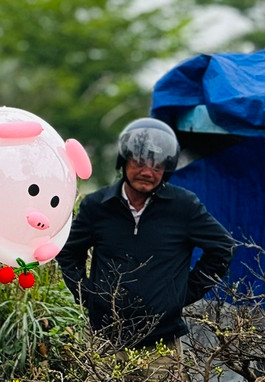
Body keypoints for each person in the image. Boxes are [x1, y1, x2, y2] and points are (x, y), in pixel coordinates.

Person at [57, 117, 236, 350]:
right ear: (124, 160)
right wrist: (88, 295)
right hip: (106, 339)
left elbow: (223, 247)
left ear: (167, 168)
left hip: (163, 343)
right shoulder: (97, 206)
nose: (147, 171)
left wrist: (182, 294)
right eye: (139, 161)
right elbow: (69, 251)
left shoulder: (183, 206)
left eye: (157, 165)